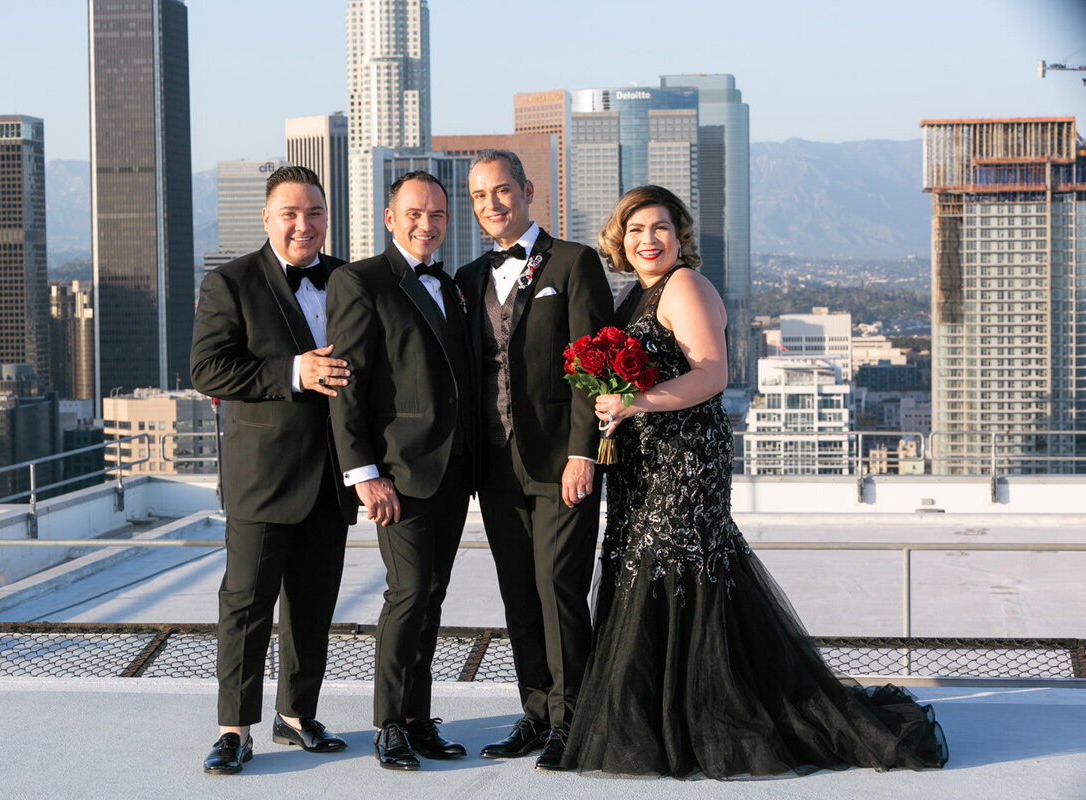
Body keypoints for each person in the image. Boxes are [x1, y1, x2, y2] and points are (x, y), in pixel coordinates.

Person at [562, 185, 949, 778]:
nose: (648, 240)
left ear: (680, 234)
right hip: (643, 462)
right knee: (647, 567)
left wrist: (633, 401)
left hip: (684, 461)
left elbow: (713, 374)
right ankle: (665, 720)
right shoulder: (633, 295)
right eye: (635, 229)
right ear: (619, 238)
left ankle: (696, 722)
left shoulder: (686, 285)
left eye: (660, 228)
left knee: (675, 568)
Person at [191, 166, 357, 775]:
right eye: (289, 213)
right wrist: (295, 372)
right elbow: (209, 370)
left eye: (313, 212)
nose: (302, 224)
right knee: (246, 604)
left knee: (314, 603)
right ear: (266, 218)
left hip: (334, 473)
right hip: (261, 477)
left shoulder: (345, 278)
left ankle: (297, 714)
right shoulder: (229, 282)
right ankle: (234, 729)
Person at [453, 150, 613, 771]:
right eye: (479, 196)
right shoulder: (467, 279)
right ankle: (537, 711)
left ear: (527, 190)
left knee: (560, 588)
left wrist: (584, 453)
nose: (492, 204)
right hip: (494, 463)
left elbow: (592, 366)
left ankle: (574, 720)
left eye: (502, 191)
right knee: (518, 590)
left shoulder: (573, 263)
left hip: (560, 458)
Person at [326, 171, 476, 771]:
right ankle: (388, 723)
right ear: (390, 217)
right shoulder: (359, 280)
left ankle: (418, 717)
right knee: (408, 592)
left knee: (432, 597)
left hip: (454, 471)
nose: (426, 223)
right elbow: (346, 385)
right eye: (414, 212)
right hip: (398, 473)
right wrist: (364, 473)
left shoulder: (453, 283)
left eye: (437, 214)